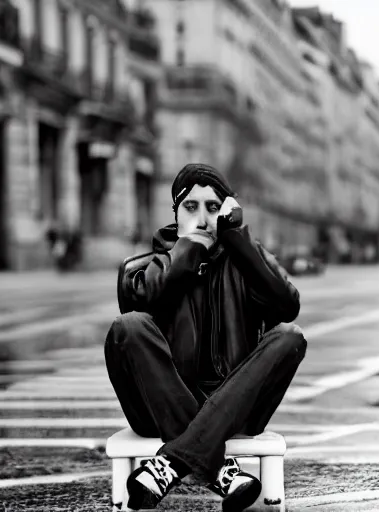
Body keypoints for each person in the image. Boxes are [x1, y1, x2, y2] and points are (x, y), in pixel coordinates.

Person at [105, 163, 306, 511]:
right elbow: (142, 302)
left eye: (213, 208)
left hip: (236, 409)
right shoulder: (140, 270)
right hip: (159, 408)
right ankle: (219, 469)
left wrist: (238, 240)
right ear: (175, 213)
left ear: (228, 213)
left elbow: (287, 304)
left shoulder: (246, 263)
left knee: (290, 336)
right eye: (191, 207)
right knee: (128, 327)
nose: (202, 218)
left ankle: (172, 462)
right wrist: (187, 250)